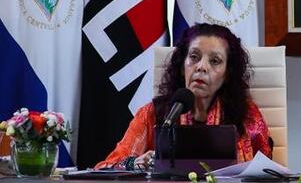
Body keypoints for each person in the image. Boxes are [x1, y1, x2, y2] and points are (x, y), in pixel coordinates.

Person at [95, 23, 271, 169]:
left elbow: (266, 173)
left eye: (215, 61)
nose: (201, 67)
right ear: (181, 66)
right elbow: (105, 167)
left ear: (227, 74)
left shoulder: (246, 116)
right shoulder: (153, 114)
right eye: (194, 57)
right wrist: (134, 163)